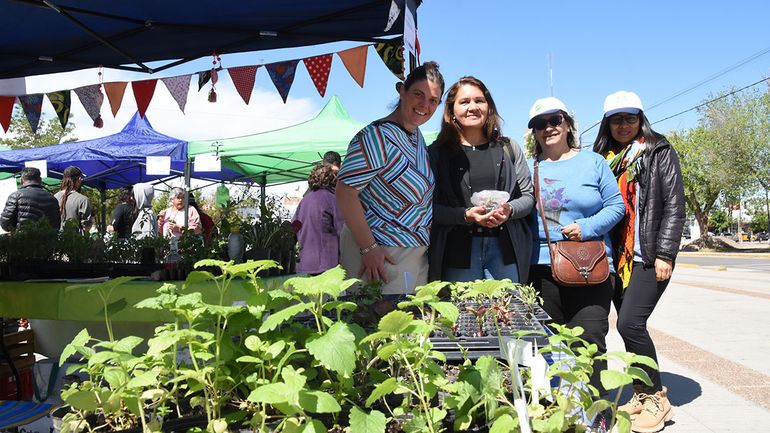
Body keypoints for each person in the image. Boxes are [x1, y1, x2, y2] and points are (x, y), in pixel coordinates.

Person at [593, 91, 685, 432]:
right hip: (617, 258)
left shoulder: (658, 150)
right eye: (616, 119)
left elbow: (674, 205)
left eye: (630, 118)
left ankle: (657, 398)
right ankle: (642, 392)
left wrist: (666, 253)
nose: (624, 125)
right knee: (629, 327)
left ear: (640, 119)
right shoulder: (604, 157)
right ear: (607, 123)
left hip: (647, 255)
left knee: (630, 323)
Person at [526, 97, 624, 405]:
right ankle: (557, 412)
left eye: (555, 120)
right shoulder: (528, 168)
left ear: (568, 124)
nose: (548, 128)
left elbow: (616, 206)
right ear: (534, 132)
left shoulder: (593, 162)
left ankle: (596, 413)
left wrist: (586, 227)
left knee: (590, 342)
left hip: (588, 266)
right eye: (539, 124)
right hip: (541, 268)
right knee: (548, 346)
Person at [336, 61, 444, 294]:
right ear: (402, 91)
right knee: (380, 317)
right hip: (381, 256)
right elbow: (345, 193)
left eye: (433, 100)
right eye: (418, 94)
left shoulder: (416, 138)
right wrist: (369, 248)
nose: (425, 105)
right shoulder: (376, 136)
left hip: (414, 255)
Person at [428, 76, 533, 283]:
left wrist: (509, 210)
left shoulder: (508, 148)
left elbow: (528, 197)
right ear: (451, 110)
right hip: (456, 253)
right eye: (464, 102)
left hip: (504, 251)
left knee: (508, 304)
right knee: (462, 304)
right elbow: (427, 208)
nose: (473, 107)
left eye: (479, 100)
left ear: (488, 106)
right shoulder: (436, 153)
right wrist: (465, 215)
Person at [293, 164, 343, 275]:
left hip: (304, 264)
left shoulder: (304, 201)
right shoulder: (333, 199)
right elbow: (342, 231)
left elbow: (294, 227)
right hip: (326, 264)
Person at [0, 167, 60, 231]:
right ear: (40, 180)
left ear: (21, 180)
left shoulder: (15, 196)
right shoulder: (52, 198)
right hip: (47, 236)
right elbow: (56, 225)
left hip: (22, 235)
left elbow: (5, 223)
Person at [55, 166, 93, 233]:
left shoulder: (54, 197)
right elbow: (86, 227)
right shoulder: (83, 200)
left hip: (55, 238)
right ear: (79, 179)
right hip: (75, 239)